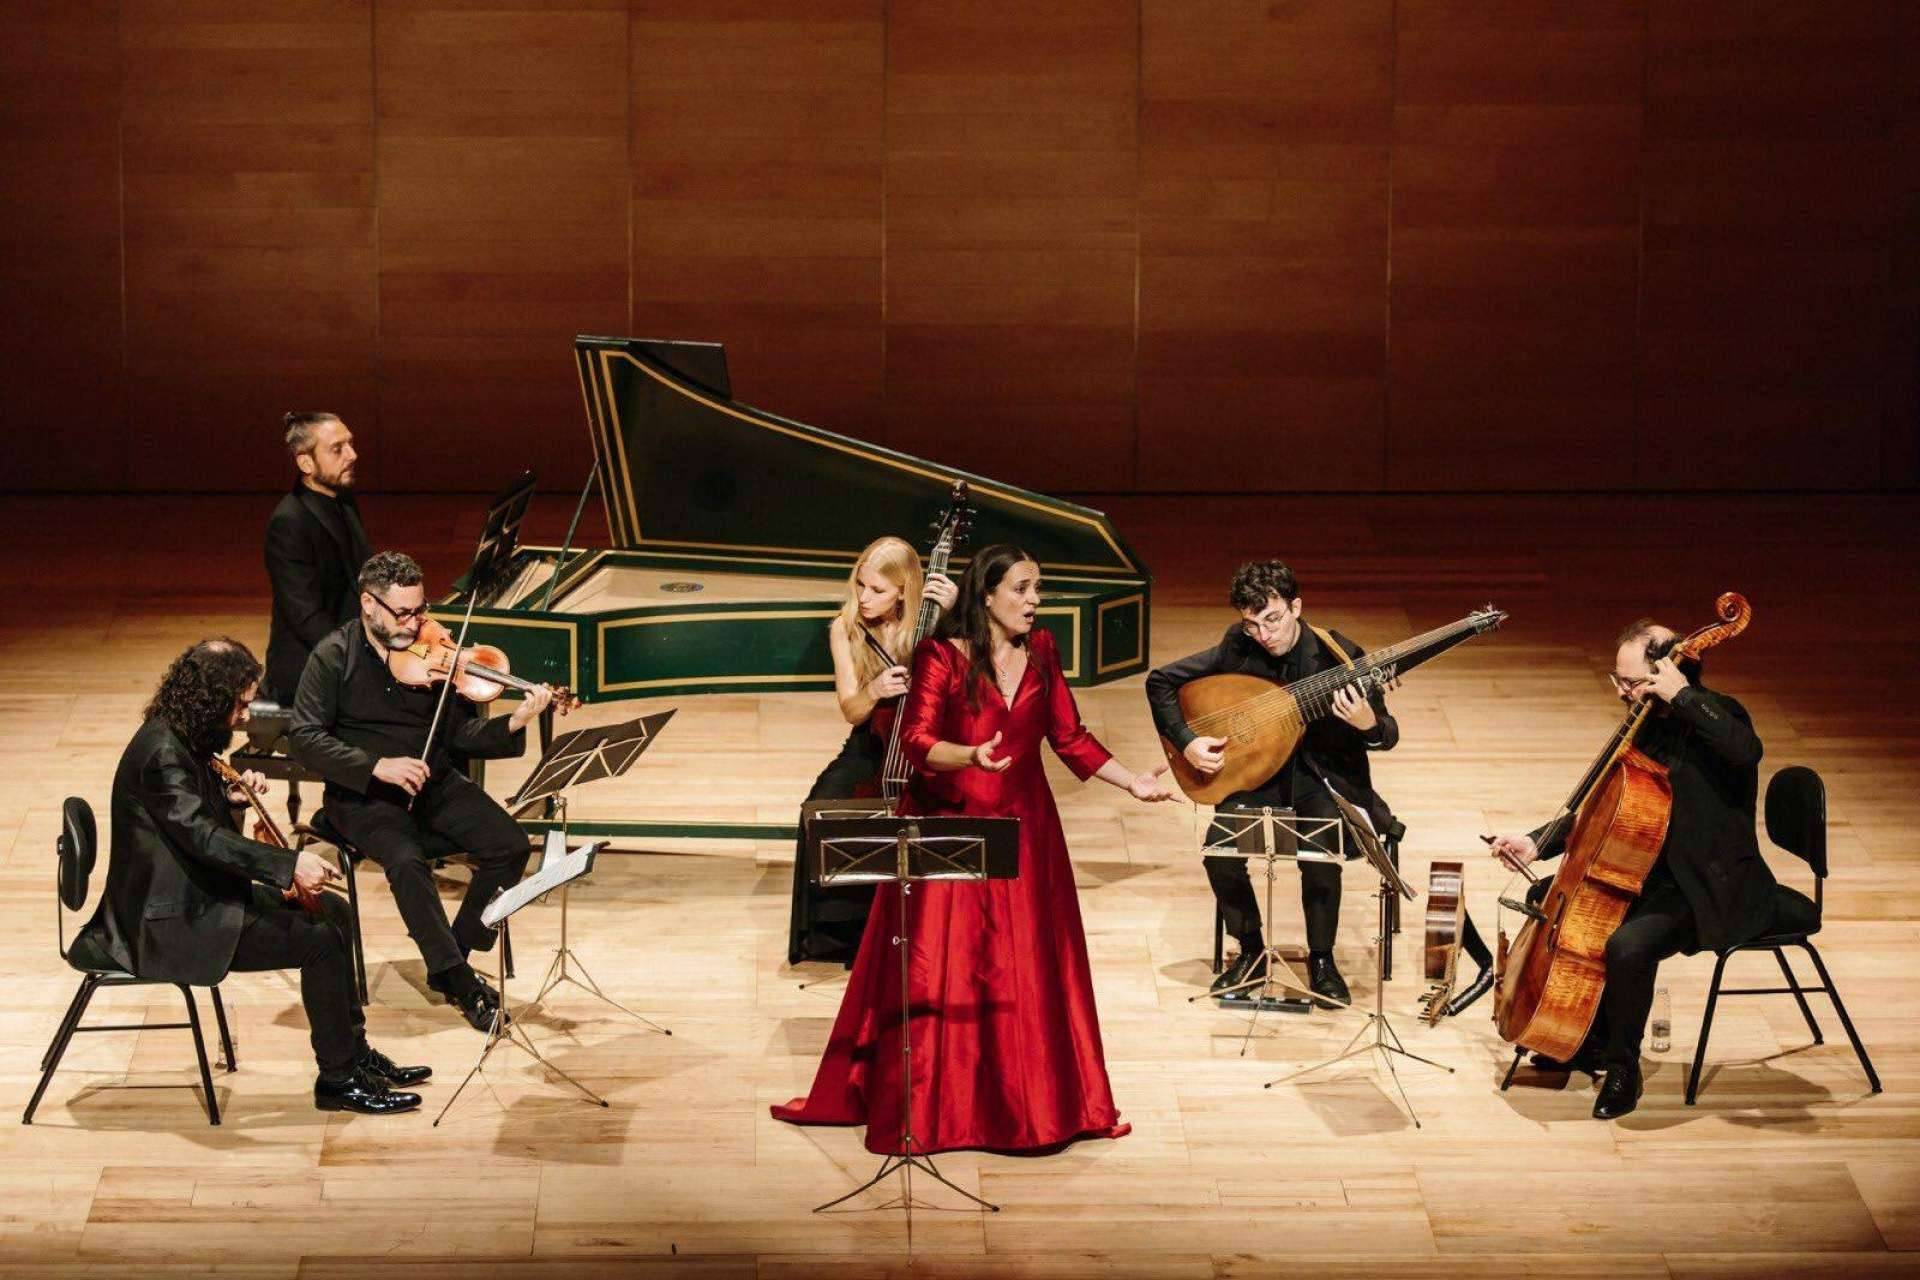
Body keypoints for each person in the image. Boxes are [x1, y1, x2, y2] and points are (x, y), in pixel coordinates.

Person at [773, 544, 1174, 1154]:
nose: (1035, 601)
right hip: (951, 822)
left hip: (1027, 828)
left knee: (1028, 966)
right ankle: (945, 1107)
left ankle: (1028, 1107)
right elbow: (916, 742)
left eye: (1037, 588)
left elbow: (1069, 735)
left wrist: (1135, 782)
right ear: (985, 595)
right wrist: (972, 757)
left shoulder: (1041, 650)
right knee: (944, 966)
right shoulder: (941, 656)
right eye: (1022, 588)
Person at [74, 638, 426, 1114]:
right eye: (238, 704)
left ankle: (354, 1054)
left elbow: (195, 827)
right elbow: (201, 839)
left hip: (197, 897)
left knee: (334, 911)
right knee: (318, 939)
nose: (245, 715)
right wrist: (288, 864)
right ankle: (338, 1080)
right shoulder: (163, 754)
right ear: (210, 702)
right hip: (167, 924)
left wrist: (231, 801)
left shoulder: (181, 737)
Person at [1486, 619, 1779, 1119]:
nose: (1623, 693)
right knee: (1552, 901)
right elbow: (1602, 811)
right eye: (1617, 681)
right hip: (1648, 875)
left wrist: (1684, 696)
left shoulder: (1719, 715)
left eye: (1633, 682)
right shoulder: (1644, 728)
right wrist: (1537, 843)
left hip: (1705, 887)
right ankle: (1585, 1037)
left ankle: (1624, 1067)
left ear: (1668, 673)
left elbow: (1747, 751)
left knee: (1628, 945)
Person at [289, 551, 552, 1032]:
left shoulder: (433, 649)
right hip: (363, 797)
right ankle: (460, 981)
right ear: (369, 605)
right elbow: (304, 739)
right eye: (404, 612)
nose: (418, 621)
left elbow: (458, 737)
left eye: (420, 608)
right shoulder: (332, 657)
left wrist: (514, 721)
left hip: (435, 780)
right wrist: (376, 766)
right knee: (406, 862)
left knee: (510, 845)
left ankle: (455, 952)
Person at [1146, 561, 1397, 1006]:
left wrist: (1366, 723)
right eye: (1252, 623)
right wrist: (1186, 743)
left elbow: (1387, 735)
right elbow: (1161, 682)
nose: (1263, 634)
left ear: (1296, 607)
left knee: (1320, 856)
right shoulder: (1239, 646)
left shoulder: (1337, 655)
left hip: (1321, 778)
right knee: (1220, 853)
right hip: (1257, 774)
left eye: (1273, 619)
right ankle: (1250, 950)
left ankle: (1322, 961)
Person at [787, 536, 955, 965]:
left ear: (904, 589)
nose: (864, 597)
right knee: (820, 810)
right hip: (871, 744)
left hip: (925, 747)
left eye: (877, 589)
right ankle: (841, 937)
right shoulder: (844, 629)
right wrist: (875, 689)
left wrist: (954, 619)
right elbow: (850, 710)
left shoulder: (933, 624)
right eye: (860, 585)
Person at [265, 412, 369, 704]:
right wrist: (363, 662)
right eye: (338, 449)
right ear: (306, 462)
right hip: (309, 668)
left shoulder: (342, 498)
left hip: (346, 646)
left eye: (350, 444)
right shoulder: (289, 522)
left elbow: (361, 575)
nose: (352, 455)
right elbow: (307, 618)